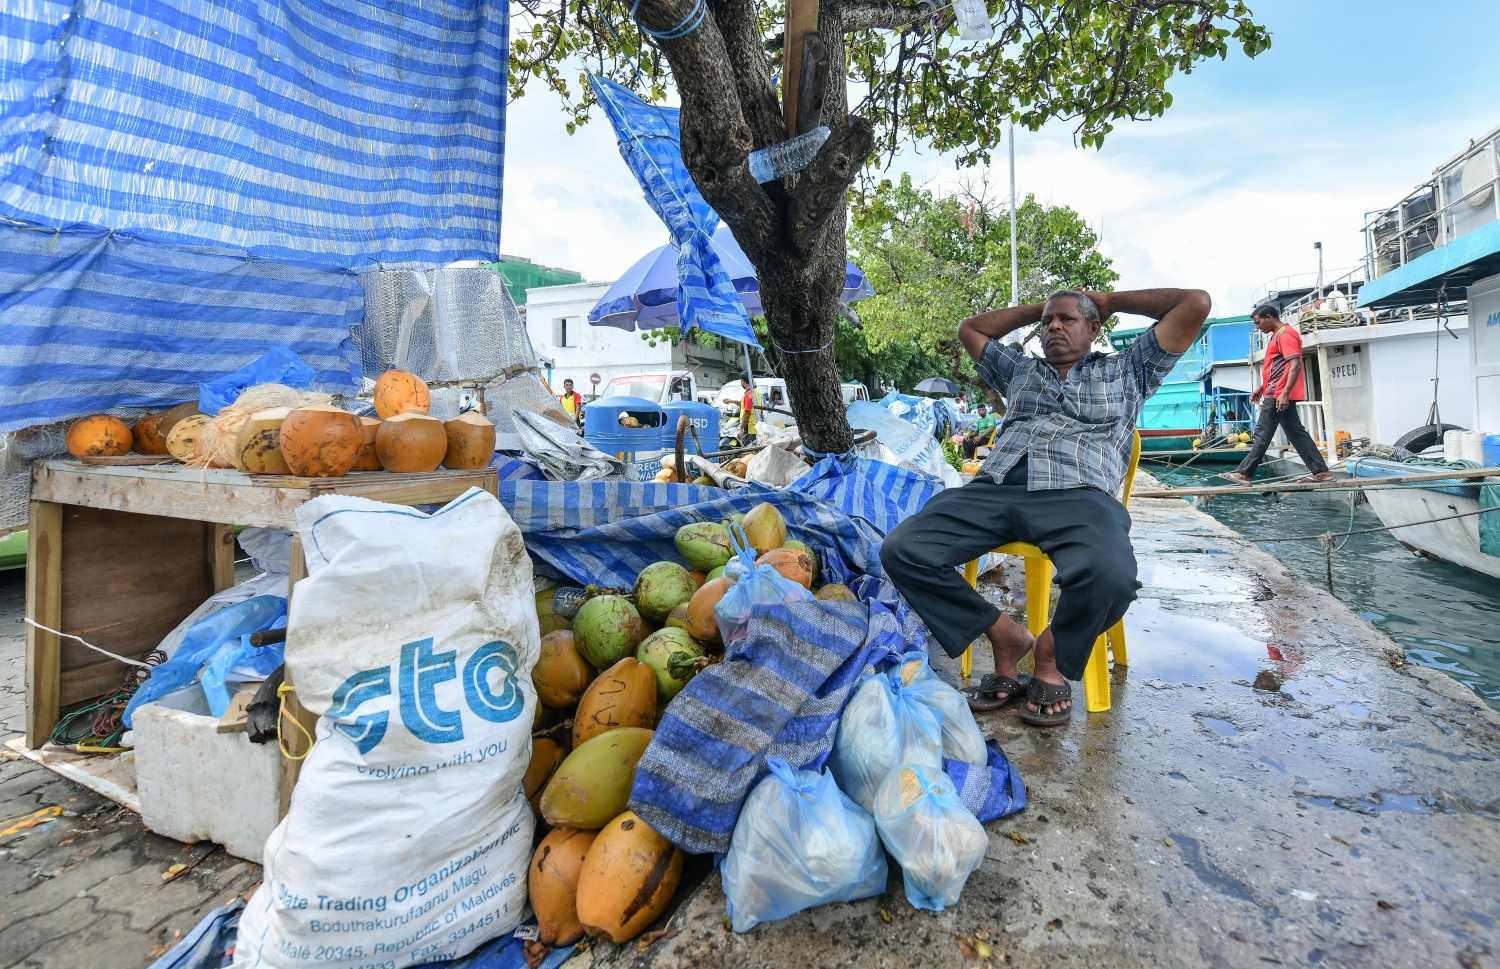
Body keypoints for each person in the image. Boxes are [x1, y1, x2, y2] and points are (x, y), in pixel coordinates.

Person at [881, 288, 1210, 727]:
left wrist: (1107, 301)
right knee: (902, 548)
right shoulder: (1020, 371)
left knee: (1112, 575)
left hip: (1080, 494)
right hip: (997, 486)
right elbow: (970, 329)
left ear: (1094, 329)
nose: (1054, 326)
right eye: (1047, 322)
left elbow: (1196, 303)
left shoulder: (1129, 370)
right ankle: (1005, 636)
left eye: (1068, 319)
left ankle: (1051, 655)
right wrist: (1044, 307)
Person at [1222, 305, 1331, 484]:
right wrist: (1261, 388)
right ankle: (1321, 472)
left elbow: (1295, 365)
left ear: (1269, 317)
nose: (1257, 327)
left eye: (1258, 323)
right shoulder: (1277, 336)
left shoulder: (1285, 335)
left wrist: (1284, 394)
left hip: (1278, 394)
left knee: (1262, 433)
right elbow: (1278, 369)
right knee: (1296, 433)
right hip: (1275, 392)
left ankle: (1244, 473)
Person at [738, 374, 758, 440]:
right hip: (756, 426)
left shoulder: (749, 394)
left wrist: (741, 429)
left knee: (748, 449)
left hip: (749, 428)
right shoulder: (756, 392)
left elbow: (747, 413)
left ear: (743, 381)